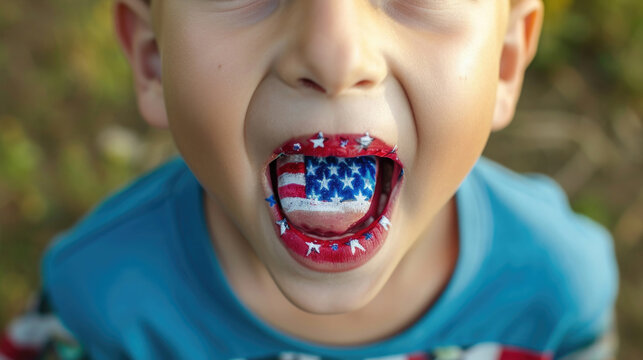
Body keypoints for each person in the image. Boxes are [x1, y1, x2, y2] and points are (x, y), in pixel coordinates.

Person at [0, 0, 619, 359]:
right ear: (154, 57)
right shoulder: (95, 302)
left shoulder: (555, 291)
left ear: (506, 60)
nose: (334, 54)